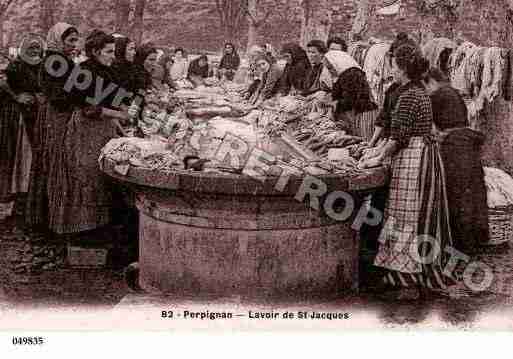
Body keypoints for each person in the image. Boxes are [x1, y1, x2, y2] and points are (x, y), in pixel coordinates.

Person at [369, 44, 453, 299]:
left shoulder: (409, 96)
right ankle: (409, 279)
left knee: (406, 221)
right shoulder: (416, 91)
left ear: (403, 68)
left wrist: (374, 158)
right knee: (414, 221)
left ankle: (408, 286)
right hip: (421, 158)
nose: (391, 70)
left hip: (414, 162)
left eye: (394, 65)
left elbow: (399, 137)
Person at [422, 68, 489, 254]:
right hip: (467, 145)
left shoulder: (437, 95)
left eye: (425, 86)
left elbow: (430, 125)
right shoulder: (454, 93)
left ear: (431, 82)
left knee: (455, 196)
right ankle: (476, 241)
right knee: (473, 194)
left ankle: (460, 246)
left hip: (455, 148)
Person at [25, 22, 80, 232]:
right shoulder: (53, 61)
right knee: (55, 161)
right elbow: (58, 96)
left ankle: (54, 217)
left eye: (76, 40)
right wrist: (78, 97)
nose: (74, 45)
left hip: (63, 113)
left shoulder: (64, 60)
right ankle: (49, 218)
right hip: (56, 116)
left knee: (59, 161)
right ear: (58, 40)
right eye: (70, 40)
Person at [323, 50, 377, 133]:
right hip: (354, 115)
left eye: (330, 68)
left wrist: (335, 104)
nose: (330, 71)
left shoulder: (352, 74)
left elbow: (351, 100)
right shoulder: (342, 75)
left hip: (363, 114)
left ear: (337, 63)